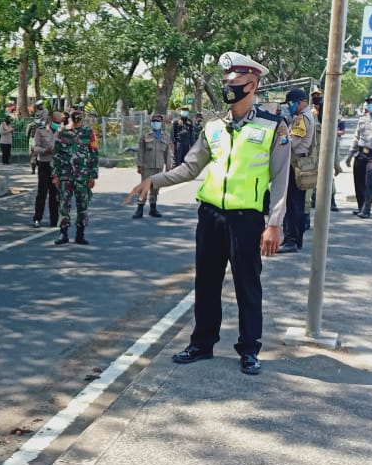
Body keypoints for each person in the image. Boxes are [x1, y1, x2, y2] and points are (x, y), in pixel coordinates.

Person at [124, 51, 289, 375]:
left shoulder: (273, 127)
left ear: (252, 85)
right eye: (225, 82)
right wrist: (153, 181)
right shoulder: (213, 127)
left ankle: (249, 349)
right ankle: (202, 343)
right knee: (207, 283)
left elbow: (282, 178)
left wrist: (274, 223)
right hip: (211, 216)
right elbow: (189, 168)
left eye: (235, 83)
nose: (228, 88)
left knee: (247, 285)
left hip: (247, 219)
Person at [53, 106, 98, 245]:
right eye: (76, 119)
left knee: (82, 205)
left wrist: (93, 175)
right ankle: (63, 233)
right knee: (63, 204)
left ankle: (80, 234)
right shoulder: (62, 132)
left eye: (80, 119)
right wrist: (55, 175)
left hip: (82, 176)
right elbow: (57, 154)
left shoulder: (89, 132)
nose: (78, 122)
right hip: (65, 175)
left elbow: (94, 153)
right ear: (71, 118)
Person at [278, 88, 316, 254]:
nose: (289, 107)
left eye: (290, 103)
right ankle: (296, 239)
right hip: (301, 161)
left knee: (292, 204)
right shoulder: (308, 116)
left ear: (300, 102)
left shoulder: (301, 119)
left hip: (295, 163)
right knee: (298, 203)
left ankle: (291, 239)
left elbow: (290, 142)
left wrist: (280, 134)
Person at [133, 113, 171, 219]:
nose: (156, 123)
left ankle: (153, 209)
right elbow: (140, 151)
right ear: (151, 122)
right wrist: (139, 165)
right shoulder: (145, 135)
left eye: (158, 121)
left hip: (159, 167)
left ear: (161, 123)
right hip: (147, 166)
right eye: (154, 121)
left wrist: (168, 167)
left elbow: (168, 153)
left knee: (155, 188)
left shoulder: (165, 137)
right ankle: (139, 209)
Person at [31, 110, 62, 228]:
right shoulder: (41, 131)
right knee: (42, 193)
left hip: (56, 166)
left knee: (55, 194)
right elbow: (35, 147)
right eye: (55, 121)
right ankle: (37, 218)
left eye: (59, 121)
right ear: (50, 119)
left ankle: (54, 220)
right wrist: (45, 151)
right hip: (44, 164)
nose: (58, 123)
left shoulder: (62, 131)